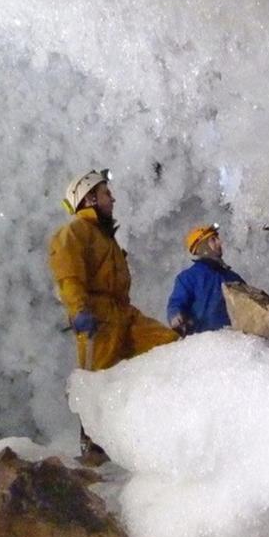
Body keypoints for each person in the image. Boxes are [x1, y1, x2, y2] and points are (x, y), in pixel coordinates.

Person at [48, 169, 179, 460]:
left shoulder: (104, 238)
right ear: (90, 198)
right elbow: (69, 277)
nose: (113, 198)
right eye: (107, 193)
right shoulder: (74, 232)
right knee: (96, 384)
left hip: (122, 313)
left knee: (169, 344)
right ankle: (92, 450)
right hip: (98, 317)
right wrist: (79, 311)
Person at [167, 223, 245, 335]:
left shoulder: (233, 277)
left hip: (230, 342)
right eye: (213, 240)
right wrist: (176, 316)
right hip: (202, 344)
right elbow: (176, 303)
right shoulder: (188, 278)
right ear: (202, 246)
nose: (219, 242)